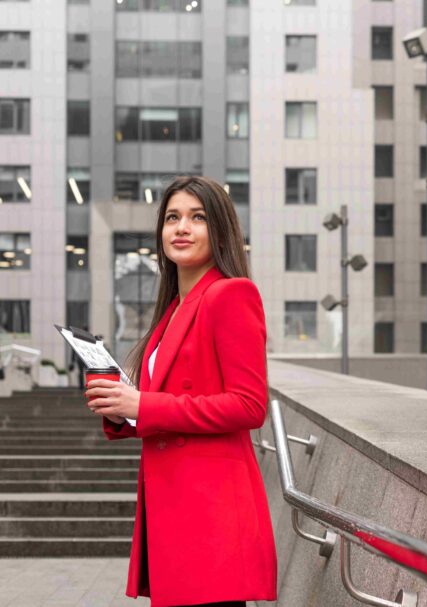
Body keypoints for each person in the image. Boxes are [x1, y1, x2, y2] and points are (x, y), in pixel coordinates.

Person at [84, 176, 277, 607]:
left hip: (211, 512)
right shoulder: (173, 309)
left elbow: (249, 405)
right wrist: (121, 409)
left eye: (198, 217)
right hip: (175, 505)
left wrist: (144, 404)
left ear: (220, 229)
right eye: (172, 217)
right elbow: (167, 406)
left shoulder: (232, 294)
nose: (181, 228)